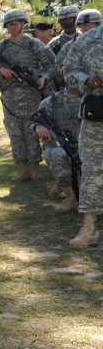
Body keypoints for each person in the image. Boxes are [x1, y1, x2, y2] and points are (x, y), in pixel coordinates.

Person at [0, 9, 55, 183]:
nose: (13, 26)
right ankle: (22, 170)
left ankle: (34, 169)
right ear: (6, 26)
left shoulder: (34, 44)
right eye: (10, 23)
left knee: (31, 132)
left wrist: (43, 78)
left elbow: (52, 65)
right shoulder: (0, 47)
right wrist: (0, 69)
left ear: (24, 23)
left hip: (31, 95)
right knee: (15, 134)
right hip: (9, 97)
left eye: (17, 22)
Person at [63, 21, 103, 249]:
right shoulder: (89, 39)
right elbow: (68, 70)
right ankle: (90, 228)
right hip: (97, 114)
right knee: (91, 171)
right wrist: (85, 79)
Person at [31, 85, 81, 213]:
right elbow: (35, 121)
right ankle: (70, 197)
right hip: (60, 145)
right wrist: (38, 127)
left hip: (87, 145)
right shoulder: (53, 100)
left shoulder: (92, 96)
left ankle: (62, 184)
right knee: (57, 154)